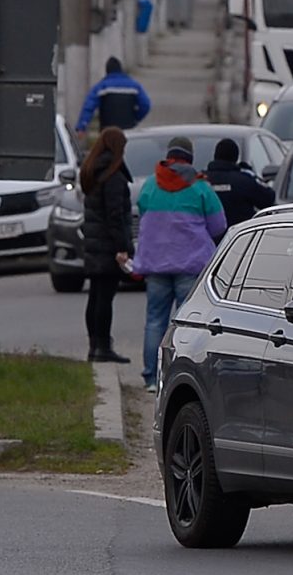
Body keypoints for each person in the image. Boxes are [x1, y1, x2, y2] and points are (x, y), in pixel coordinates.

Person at [128, 135, 225, 391]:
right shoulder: (201, 187)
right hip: (190, 266)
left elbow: (143, 212)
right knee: (185, 324)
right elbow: (219, 226)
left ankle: (150, 377)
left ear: (168, 156)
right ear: (190, 158)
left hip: (156, 264)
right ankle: (179, 375)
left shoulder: (150, 185)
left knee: (155, 321)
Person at [78, 127, 134, 364]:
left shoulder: (92, 171)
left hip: (93, 242)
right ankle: (103, 346)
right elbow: (115, 214)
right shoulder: (113, 176)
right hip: (107, 244)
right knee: (105, 298)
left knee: (95, 295)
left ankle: (94, 345)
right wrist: (122, 247)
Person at [205, 137, 276, 228]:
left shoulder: (199, 182)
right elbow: (268, 198)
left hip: (207, 238)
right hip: (240, 237)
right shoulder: (244, 181)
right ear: (235, 158)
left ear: (215, 156)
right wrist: (252, 176)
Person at [74, 57, 151, 134]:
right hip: (129, 129)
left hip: (107, 131)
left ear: (107, 71)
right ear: (121, 69)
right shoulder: (134, 86)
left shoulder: (102, 87)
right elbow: (145, 105)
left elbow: (89, 107)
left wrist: (82, 126)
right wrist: (136, 118)